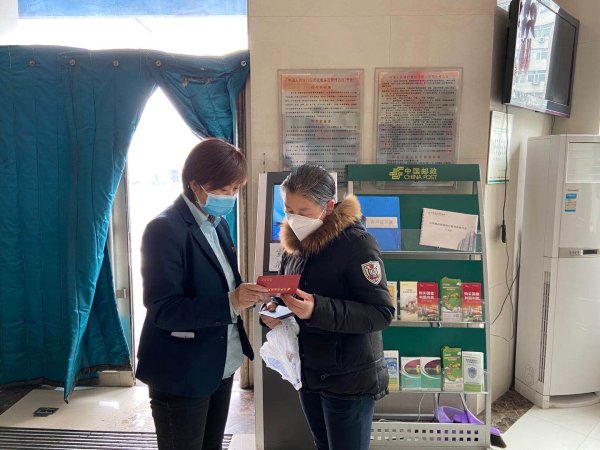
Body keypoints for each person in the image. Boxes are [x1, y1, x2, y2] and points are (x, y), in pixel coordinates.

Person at [136, 138, 270, 450]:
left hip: (220, 362)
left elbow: (225, 284)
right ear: (195, 185)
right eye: (223, 189)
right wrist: (231, 302)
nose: (230, 197)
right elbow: (164, 309)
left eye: (235, 189)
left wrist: (248, 295)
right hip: (181, 371)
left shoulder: (218, 224)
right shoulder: (164, 229)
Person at [261, 164, 395, 450]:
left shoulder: (356, 244)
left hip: (349, 379)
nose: (294, 219)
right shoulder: (293, 242)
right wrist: (273, 308)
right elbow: (286, 289)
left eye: (304, 211)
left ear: (328, 206)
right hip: (308, 372)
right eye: (288, 210)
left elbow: (381, 312)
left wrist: (317, 309)